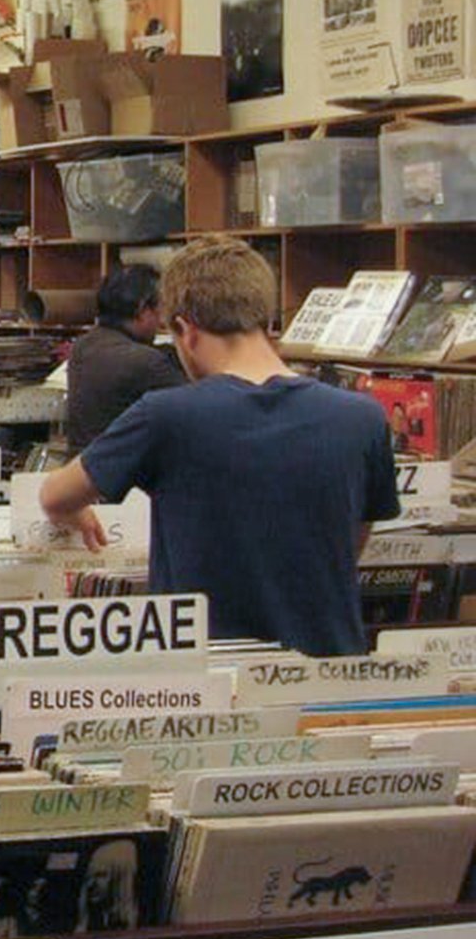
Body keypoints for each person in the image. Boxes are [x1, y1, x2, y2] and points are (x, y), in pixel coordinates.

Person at [40, 237, 399, 655]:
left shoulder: (166, 415)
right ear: (267, 321)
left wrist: (76, 513)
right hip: (326, 676)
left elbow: (54, 496)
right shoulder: (363, 418)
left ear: (184, 330)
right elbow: (348, 545)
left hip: (205, 681)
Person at [63, 264, 185, 449]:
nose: (162, 320)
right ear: (142, 309)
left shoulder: (84, 345)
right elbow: (200, 409)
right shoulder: (147, 362)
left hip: (87, 468)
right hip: (131, 473)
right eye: (160, 308)